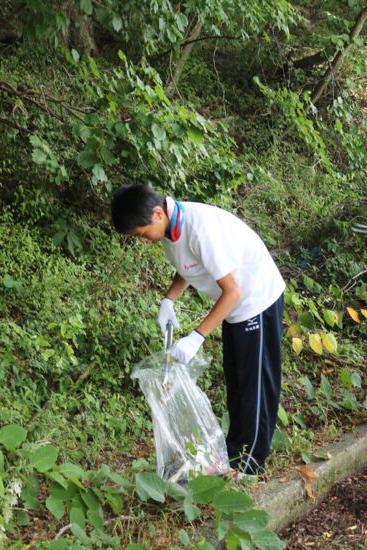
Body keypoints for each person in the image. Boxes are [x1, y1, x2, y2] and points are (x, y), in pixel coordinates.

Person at [111, 185, 285, 476]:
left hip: (256, 299)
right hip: (234, 307)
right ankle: (235, 455)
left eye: (141, 233)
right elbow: (189, 265)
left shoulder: (200, 229)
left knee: (254, 387)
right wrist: (169, 299)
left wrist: (197, 337)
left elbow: (233, 292)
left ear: (157, 213)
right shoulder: (169, 227)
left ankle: (250, 466)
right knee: (237, 381)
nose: (142, 240)